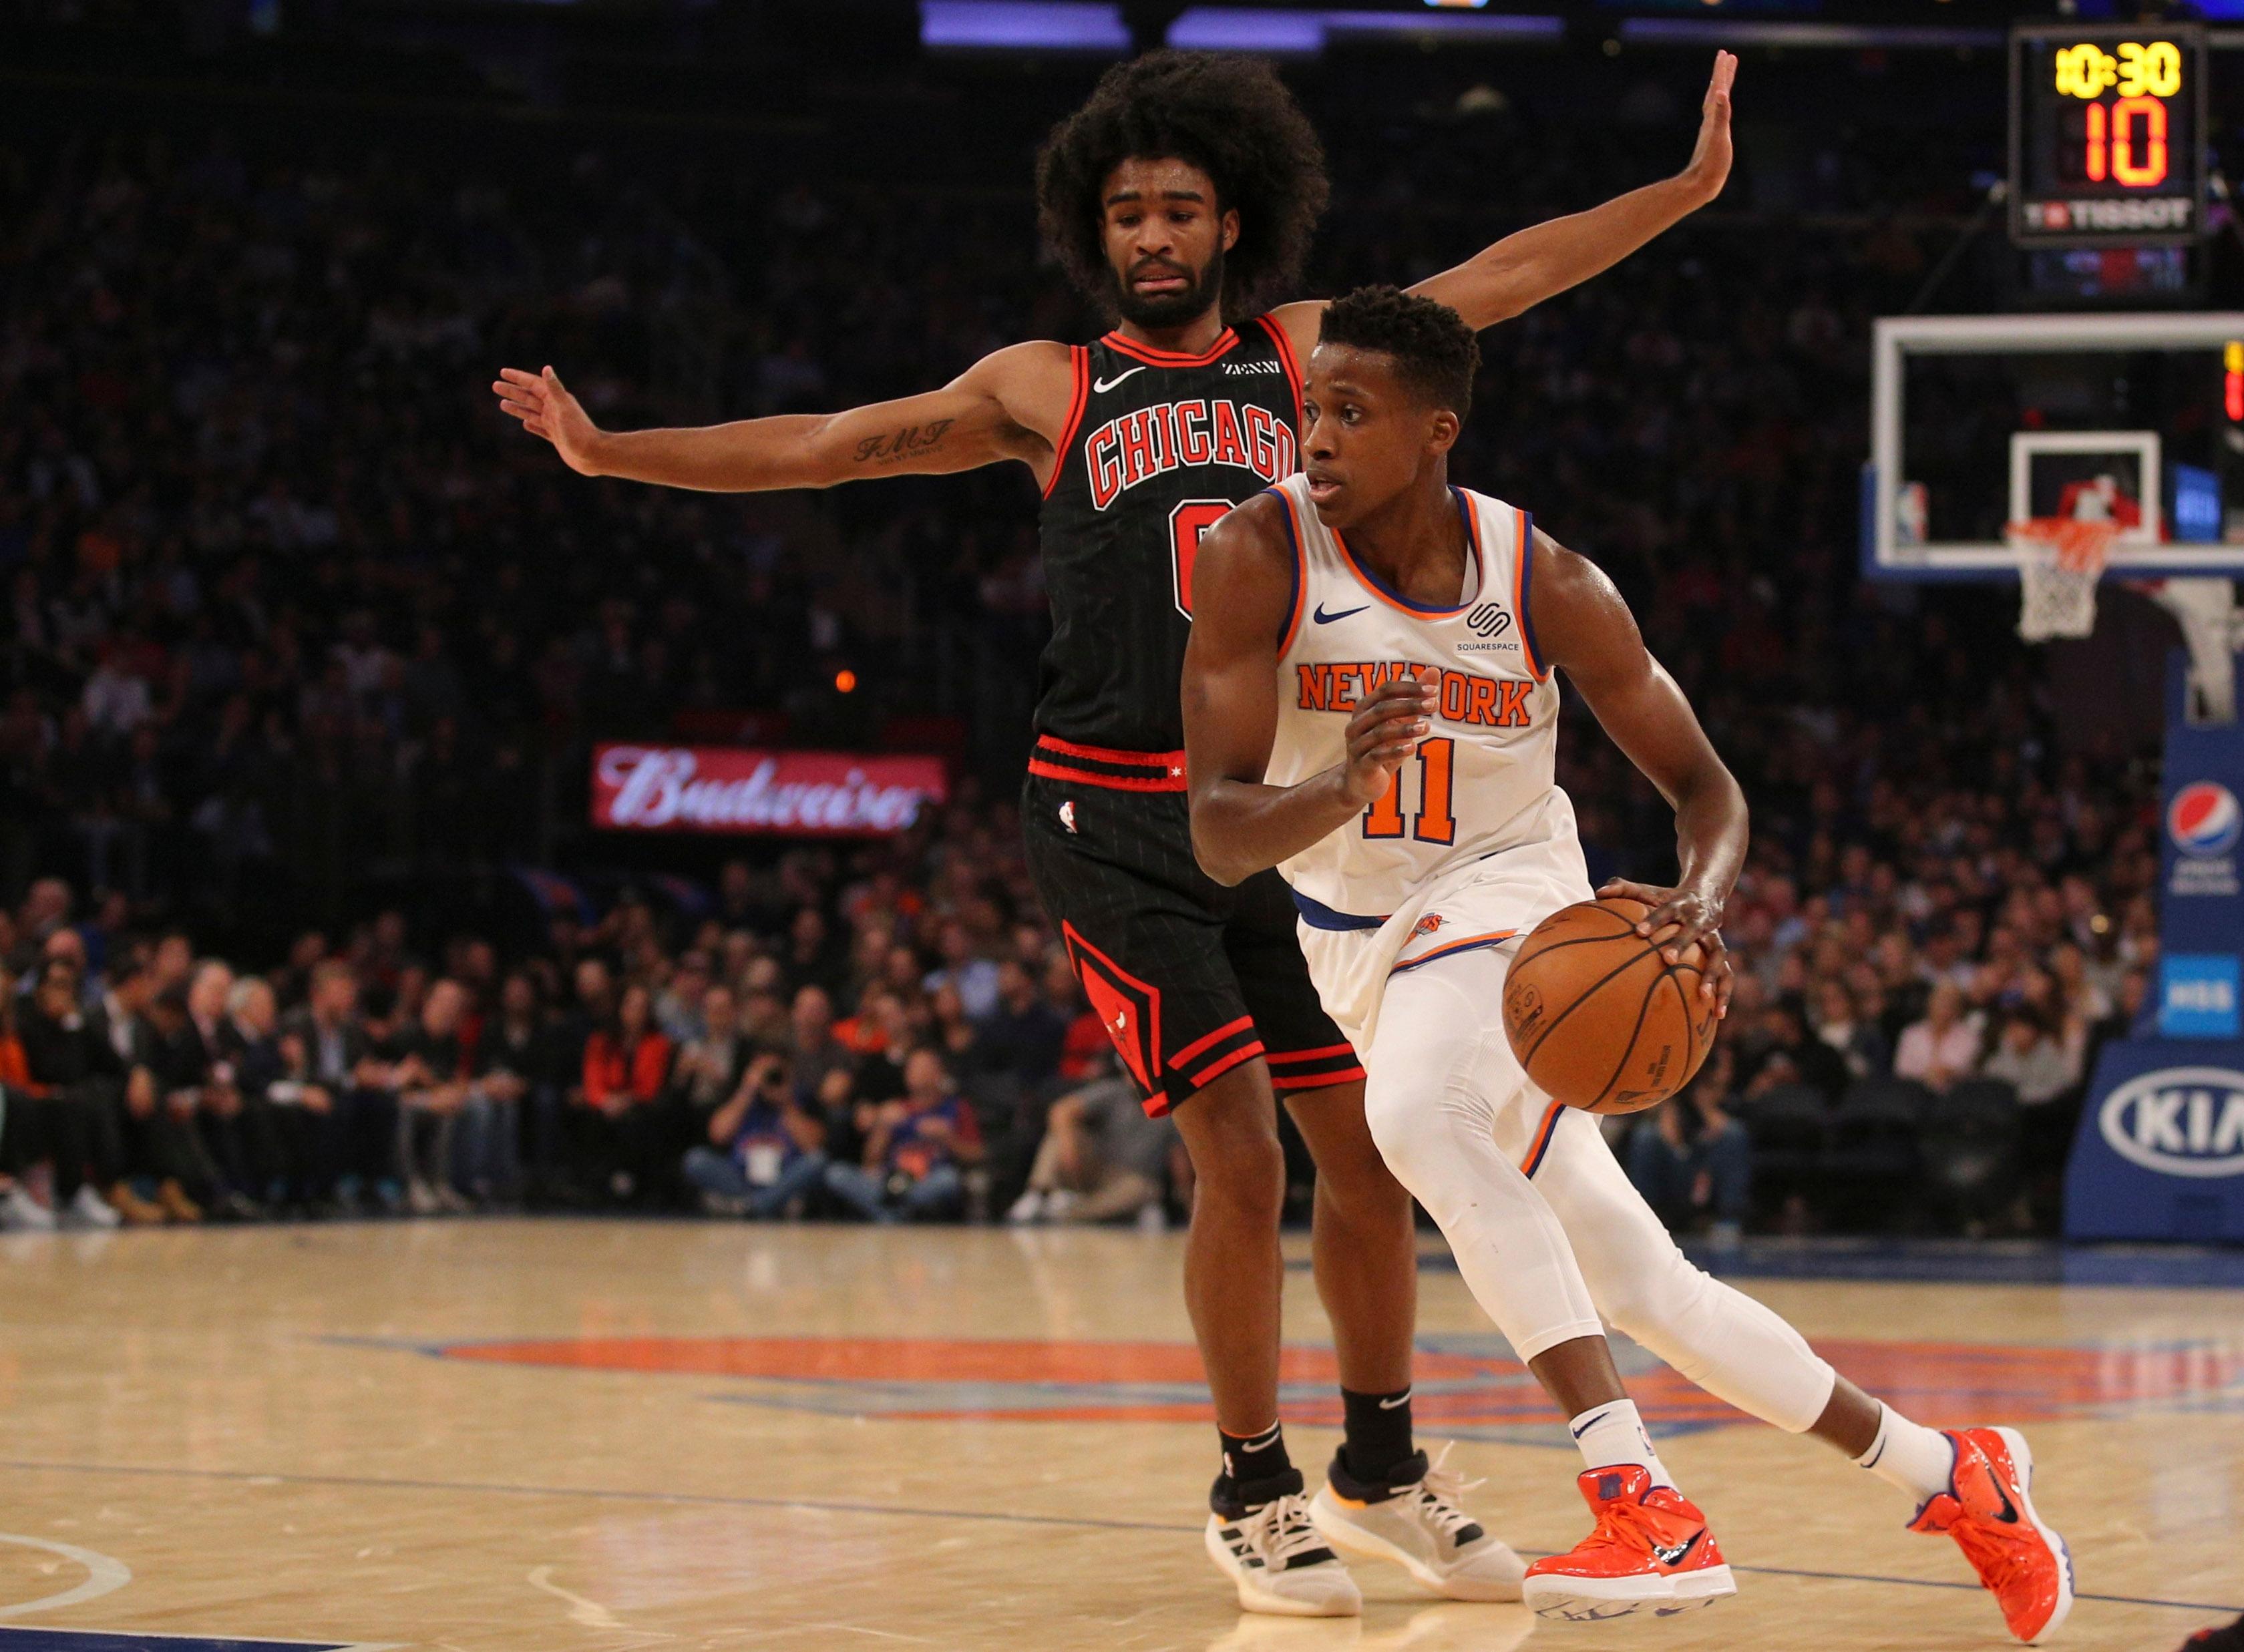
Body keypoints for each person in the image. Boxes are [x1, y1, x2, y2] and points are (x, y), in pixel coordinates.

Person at [497, 46, 1742, 1616]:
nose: (1154, 235)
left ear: (1236, 224)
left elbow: (1496, 280)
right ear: (1099, 234)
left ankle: (1380, 1463)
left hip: (1287, 820)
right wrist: (613, 454)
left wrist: (1685, 193)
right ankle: (1253, 1485)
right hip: (1113, 815)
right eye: (1130, 213)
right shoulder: (1047, 385)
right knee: (1233, 1151)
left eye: (1183, 210)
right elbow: (828, 444)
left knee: (1366, 1162)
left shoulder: (1308, 358)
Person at [1179, 286, 2072, 1639]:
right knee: (1649, 1285)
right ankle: (1959, 1475)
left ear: (1437, 432)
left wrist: (1695, 910)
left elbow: (1708, 792)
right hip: (1352, 939)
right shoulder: (1258, 556)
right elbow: (1217, 833)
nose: (1317, 440)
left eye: (1352, 415)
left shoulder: (1544, 579)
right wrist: (1337, 788)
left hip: (1512, 897)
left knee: (1416, 1115)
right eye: (1312, 410)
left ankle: (1638, 1500)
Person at [822, 1047, 981, 1223]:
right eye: (912, 1067)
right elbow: (870, 1162)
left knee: (948, 1179)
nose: (915, 1073)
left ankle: (891, 1216)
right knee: (837, 1174)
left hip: (927, 1182)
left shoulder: (956, 1108)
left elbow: (977, 1154)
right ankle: (898, 1215)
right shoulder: (895, 1109)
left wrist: (948, 1138)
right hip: (890, 1181)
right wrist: (883, 1128)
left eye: (923, 1067)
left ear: (939, 1073)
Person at [685, 1051, 829, 1219]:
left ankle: (750, 1206)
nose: (768, 1078)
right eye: (762, 1071)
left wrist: (786, 1103)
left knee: (818, 1161)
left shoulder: (801, 1098)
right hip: (741, 1177)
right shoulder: (741, 1096)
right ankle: (767, 1205)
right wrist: (747, 1091)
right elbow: (718, 1134)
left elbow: (813, 1147)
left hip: (784, 1178)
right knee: (696, 1159)